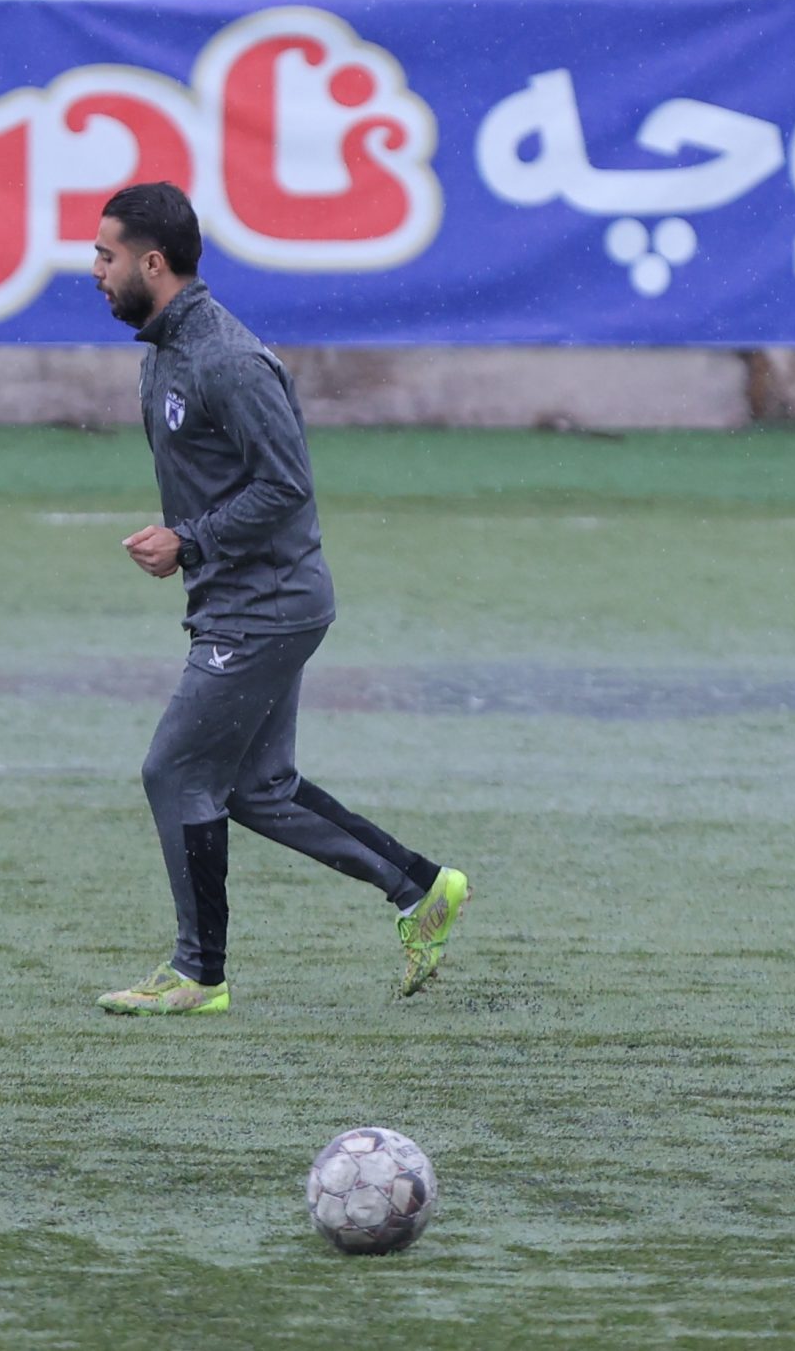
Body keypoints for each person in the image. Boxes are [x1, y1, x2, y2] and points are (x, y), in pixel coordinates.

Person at [88, 181, 467, 1015]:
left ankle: (199, 973)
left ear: (153, 264)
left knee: (175, 771)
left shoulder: (227, 359)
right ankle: (422, 888)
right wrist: (189, 541)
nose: (94, 269)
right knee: (260, 789)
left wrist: (189, 540)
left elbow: (286, 486)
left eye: (106, 255)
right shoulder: (166, 351)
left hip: (266, 606)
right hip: (246, 599)